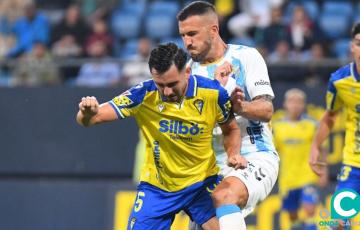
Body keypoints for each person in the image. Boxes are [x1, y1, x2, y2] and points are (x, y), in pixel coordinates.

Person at [76, 43, 243, 230]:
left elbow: (232, 129)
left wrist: (233, 154)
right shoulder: (142, 94)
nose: (167, 92)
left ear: (187, 72)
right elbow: (92, 118)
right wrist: (87, 113)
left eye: (172, 84)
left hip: (202, 184)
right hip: (158, 189)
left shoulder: (213, 93)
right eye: (160, 85)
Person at [177, 2, 279, 229]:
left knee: (224, 196)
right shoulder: (186, 75)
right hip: (211, 169)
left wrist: (239, 107)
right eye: (183, 35)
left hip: (254, 155)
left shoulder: (246, 57)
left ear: (213, 30)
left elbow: (266, 110)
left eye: (192, 34)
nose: (187, 42)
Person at [309, 22, 360, 227]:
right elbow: (330, 117)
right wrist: (315, 146)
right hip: (354, 165)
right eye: (358, 43)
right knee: (337, 222)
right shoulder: (340, 80)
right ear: (352, 47)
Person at [273, 88, 328, 230]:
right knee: (292, 215)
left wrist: (324, 171)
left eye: (299, 102)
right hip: (288, 179)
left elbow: (322, 148)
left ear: (303, 105)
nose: (295, 105)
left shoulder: (312, 125)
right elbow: (273, 153)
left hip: (308, 175)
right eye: (292, 101)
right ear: (285, 104)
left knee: (310, 209)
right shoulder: (277, 127)